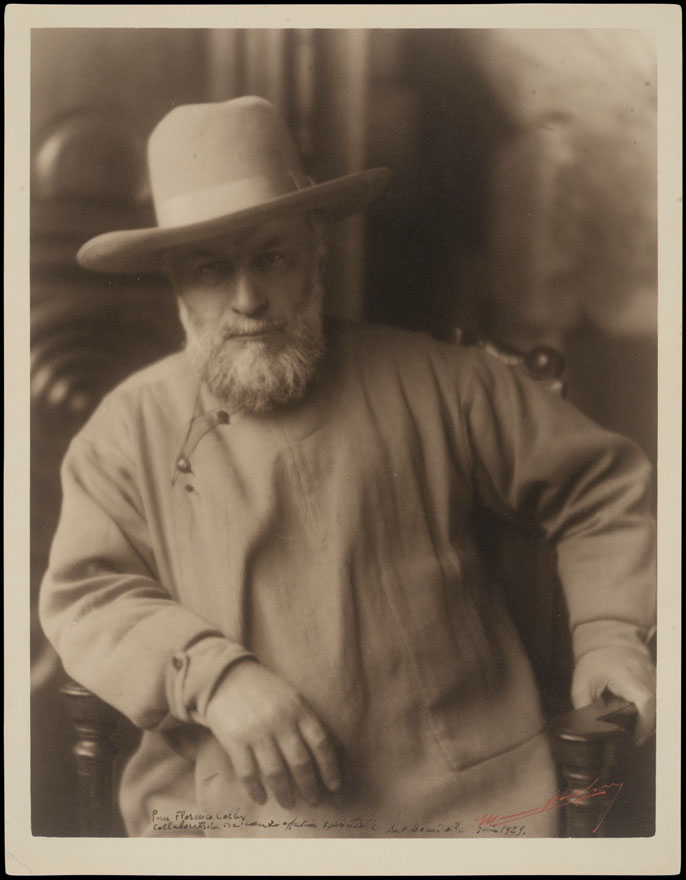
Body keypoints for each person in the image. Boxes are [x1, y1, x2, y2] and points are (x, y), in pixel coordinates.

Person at [39, 96, 656, 838]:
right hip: (225, 821)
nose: (247, 301)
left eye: (272, 256)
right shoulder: (123, 433)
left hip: (464, 814)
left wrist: (610, 633)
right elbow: (86, 594)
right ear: (176, 284)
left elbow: (603, 487)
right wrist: (212, 676)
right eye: (209, 269)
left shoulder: (442, 383)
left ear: (316, 251)